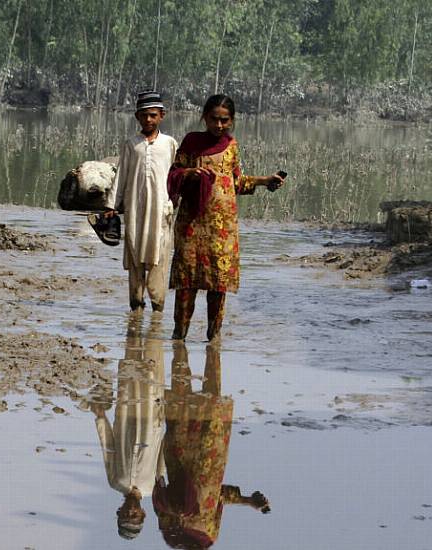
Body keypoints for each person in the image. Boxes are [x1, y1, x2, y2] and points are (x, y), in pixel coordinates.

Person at [167, 94, 285, 340]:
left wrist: (264, 181)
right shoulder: (191, 142)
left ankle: (214, 338)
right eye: (214, 119)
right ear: (204, 117)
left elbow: (237, 182)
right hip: (192, 223)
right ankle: (179, 336)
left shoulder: (231, 146)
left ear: (231, 121)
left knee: (218, 284)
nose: (218, 125)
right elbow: (173, 175)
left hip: (223, 228)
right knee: (187, 283)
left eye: (224, 120)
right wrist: (190, 173)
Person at [153, 342, 270, 549]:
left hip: (188, 453)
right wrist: (247, 501)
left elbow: (160, 495)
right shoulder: (207, 537)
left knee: (183, 393)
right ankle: (211, 342)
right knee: (211, 390)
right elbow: (217, 497)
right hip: (207, 453)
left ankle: (182, 339)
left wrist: (177, 511)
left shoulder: (173, 535)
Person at [87, 314, 167, 540]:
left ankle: (136, 321)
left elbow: (109, 450)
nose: (131, 512)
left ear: (118, 512)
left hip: (125, 419)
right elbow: (163, 456)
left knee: (130, 367)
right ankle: (155, 325)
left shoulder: (115, 482)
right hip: (152, 419)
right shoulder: (154, 487)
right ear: (142, 514)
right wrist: (169, 423)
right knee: (152, 368)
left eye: (126, 516)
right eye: (135, 516)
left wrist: (101, 418)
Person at [105, 90, 179, 312]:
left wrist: (176, 203)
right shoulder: (131, 144)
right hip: (135, 211)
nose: (149, 119)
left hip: (161, 211)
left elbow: (177, 177)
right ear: (137, 116)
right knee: (136, 253)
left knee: (160, 255)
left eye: (153, 115)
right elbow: (121, 176)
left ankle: (158, 306)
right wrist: (111, 205)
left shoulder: (170, 144)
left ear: (161, 116)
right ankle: (136, 305)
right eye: (144, 115)